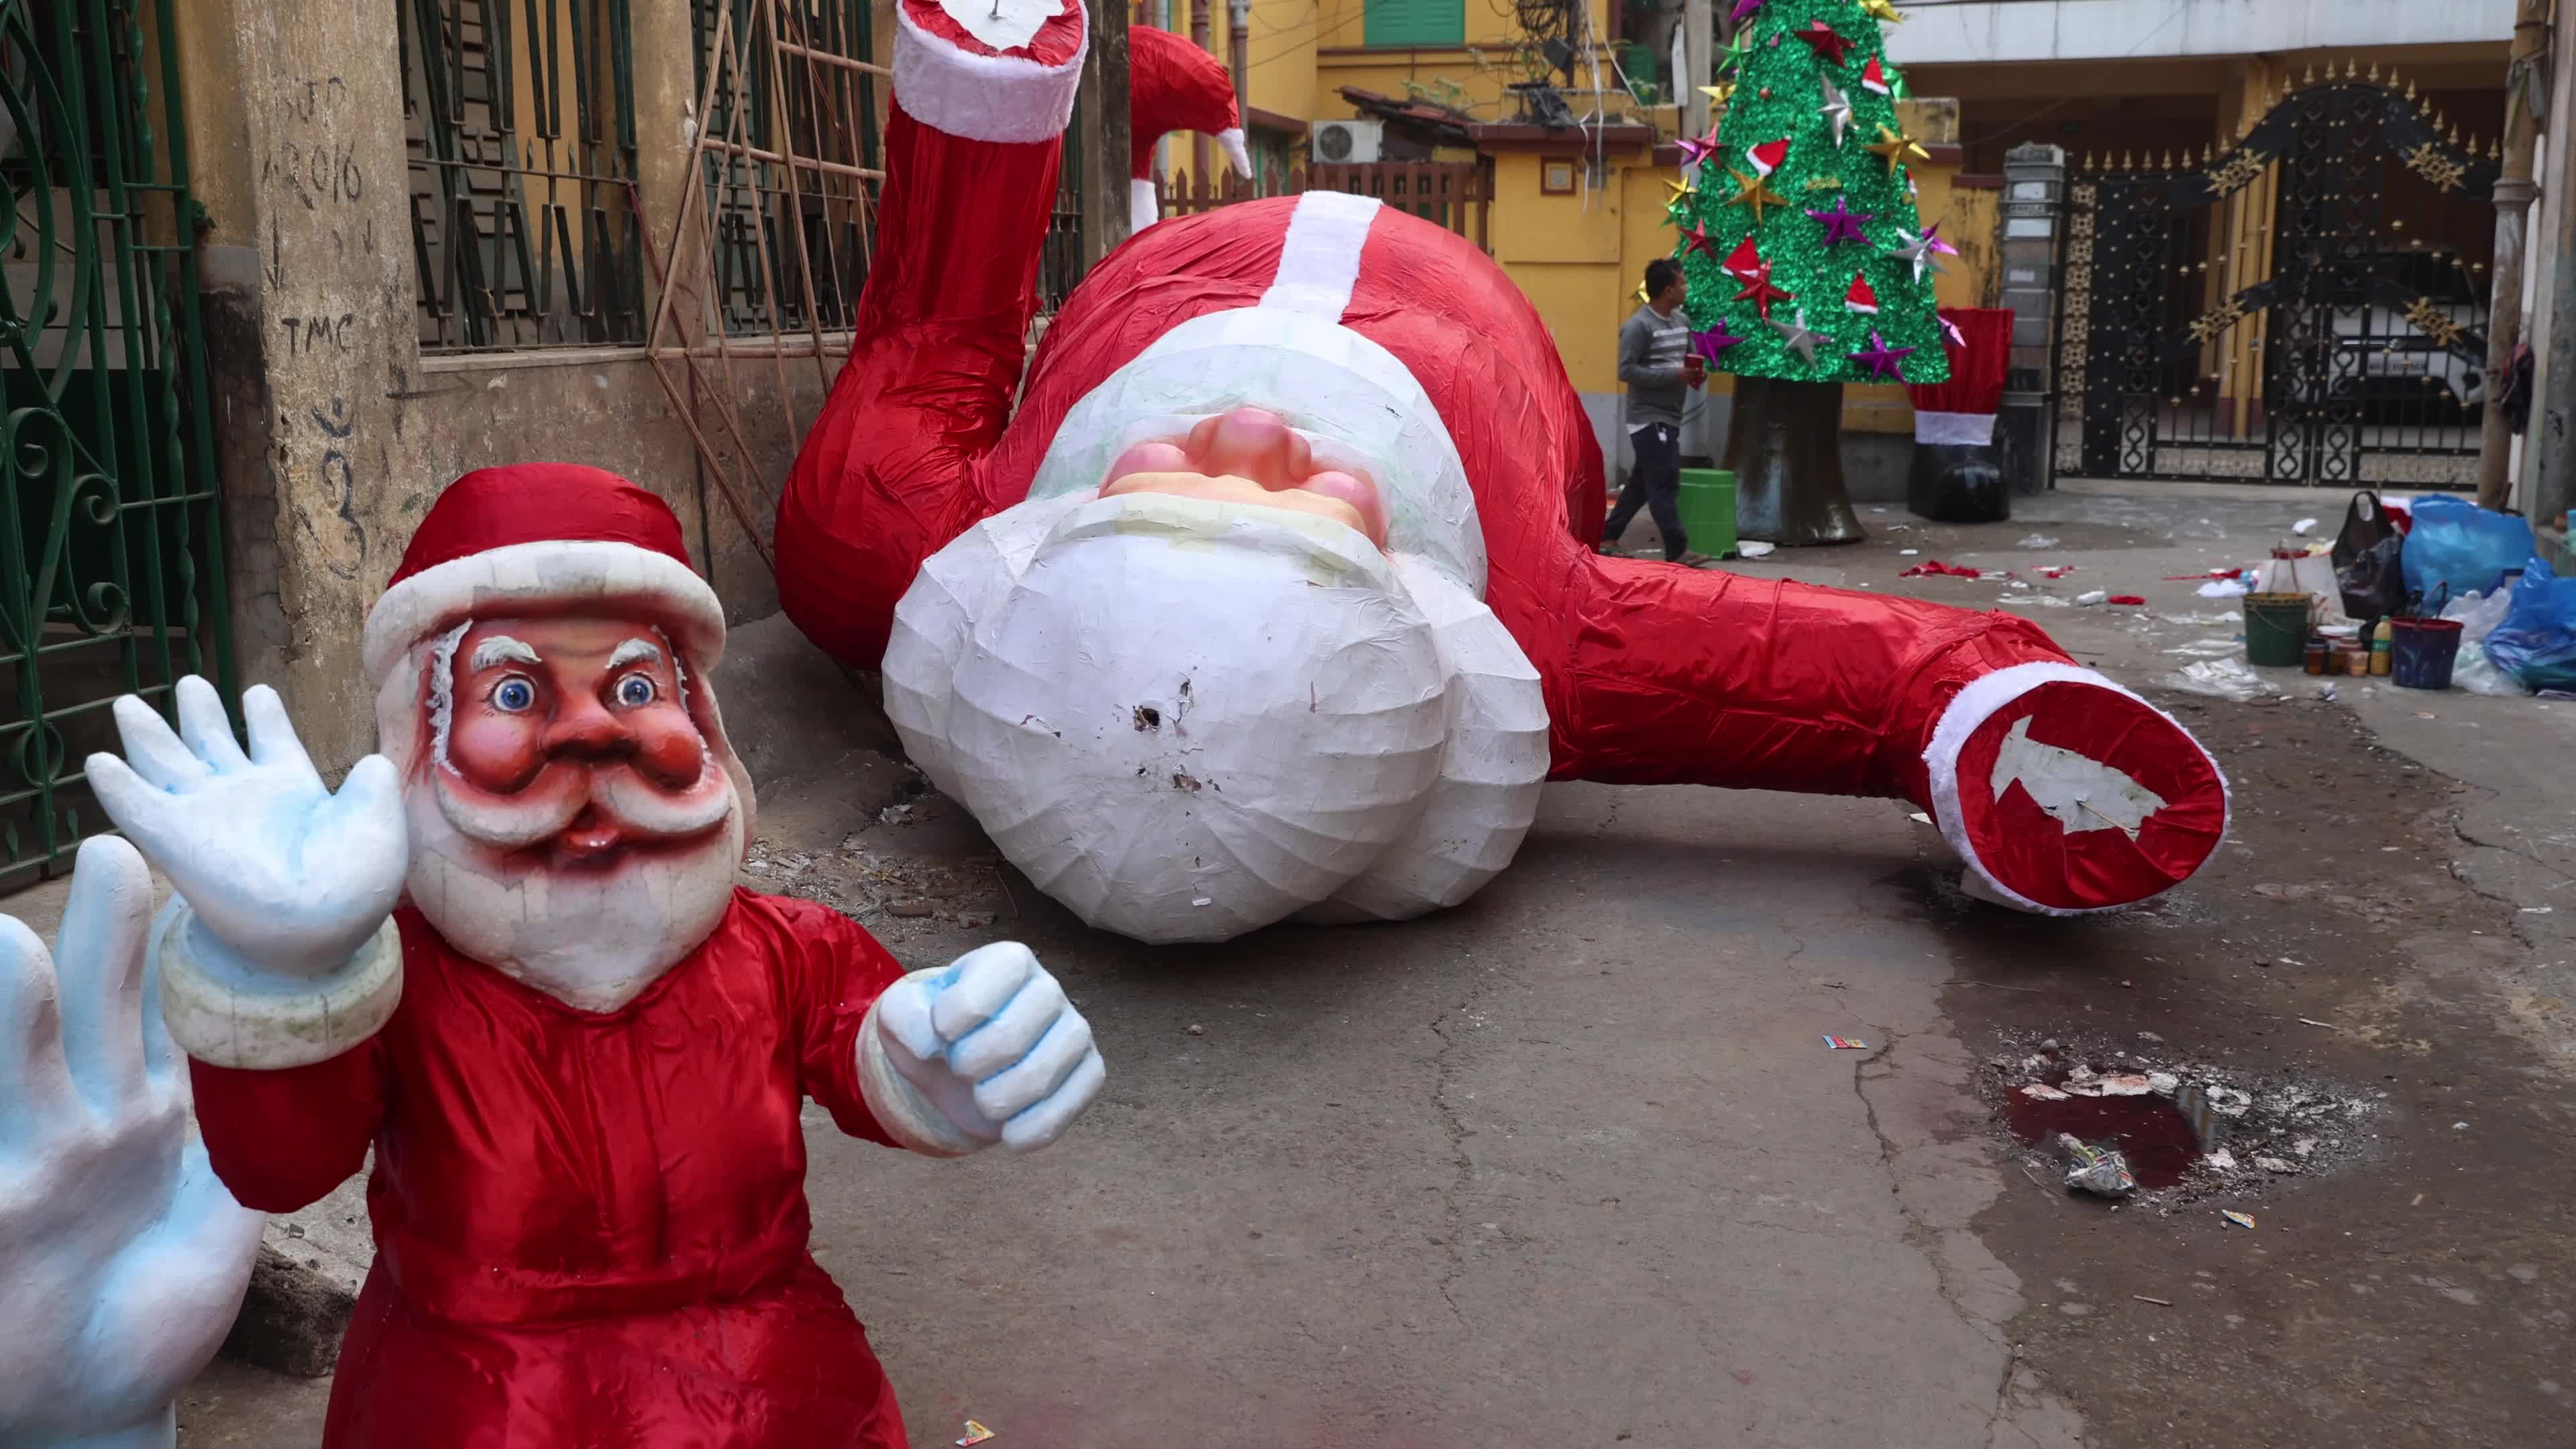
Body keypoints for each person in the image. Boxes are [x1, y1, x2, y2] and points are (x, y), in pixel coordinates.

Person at [772, 0, 2232, 935]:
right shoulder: (1546, 631)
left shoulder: (890, 541)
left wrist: (984, 100)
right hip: (1471, 328)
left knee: (847, 523)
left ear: (1060, 530)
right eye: (1294, 506)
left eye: (1175, 486)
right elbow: (1819, 678)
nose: (1252, 439)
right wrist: (1972, 706)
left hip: (1178, 279)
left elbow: (932, 332)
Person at [56, 464, 1108, 1448]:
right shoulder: (403, 976)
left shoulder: (786, 949)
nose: (590, 733)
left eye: (637, 687)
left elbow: (871, 1049)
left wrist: (947, 1057)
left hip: (779, 1396)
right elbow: (283, 1171)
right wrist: (286, 973)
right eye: (513, 694)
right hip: (473, 1406)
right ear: (418, 738)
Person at [1605, 257, 1706, 562]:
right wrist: (1673, 376)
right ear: (1667, 290)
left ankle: (1607, 536)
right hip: (1647, 418)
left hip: (1671, 415)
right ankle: (1677, 548)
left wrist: (1694, 373)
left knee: (1640, 485)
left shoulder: (1681, 321)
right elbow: (1627, 372)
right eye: (1682, 283)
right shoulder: (1638, 327)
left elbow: (1686, 358)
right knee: (1665, 479)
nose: (1686, 288)